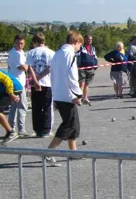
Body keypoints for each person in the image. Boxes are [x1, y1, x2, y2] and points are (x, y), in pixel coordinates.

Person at [46, 31, 84, 163]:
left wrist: (54, 96)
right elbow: (72, 76)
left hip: (59, 93)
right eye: (80, 44)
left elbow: (53, 75)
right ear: (76, 42)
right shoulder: (70, 54)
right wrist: (78, 93)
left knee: (74, 125)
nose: (80, 47)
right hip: (68, 95)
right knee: (68, 124)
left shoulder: (57, 54)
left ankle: (73, 152)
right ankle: (49, 151)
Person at [26, 32, 55, 138]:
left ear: (35, 42)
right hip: (47, 83)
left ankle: (38, 129)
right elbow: (50, 68)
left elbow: (30, 68)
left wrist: (35, 80)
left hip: (35, 84)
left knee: (36, 107)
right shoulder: (51, 53)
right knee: (47, 106)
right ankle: (46, 130)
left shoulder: (31, 53)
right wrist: (39, 78)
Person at [7, 34, 29, 136]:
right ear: (14, 42)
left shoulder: (16, 52)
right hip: (18, 83)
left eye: (22, 43)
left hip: (15, 82)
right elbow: (23, 67)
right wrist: (28, 65)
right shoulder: (17, 54)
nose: (20, 45)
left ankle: (11, 128)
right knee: (22, 106)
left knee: (14, 107)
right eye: (18, 43)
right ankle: (21, 129)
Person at [0, 70, 24, 145]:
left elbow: (7, 79)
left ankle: (11, 132)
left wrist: (11, 94)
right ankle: (10, 132)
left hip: (13, 88)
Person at [77, 34, 98, 105]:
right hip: (82, 68)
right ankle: (79, 99)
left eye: (91, 39)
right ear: (85, 39)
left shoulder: (93, 48)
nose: (90, 41)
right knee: (81, 83)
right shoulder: (81, 47)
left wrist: (95, 64)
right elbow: (78, 56)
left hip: (91, 68)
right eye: (88, 39)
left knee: (86, 84)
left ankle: (85, 98)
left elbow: (95, 56)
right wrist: (78, 65)